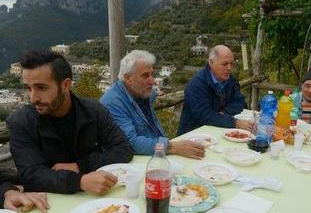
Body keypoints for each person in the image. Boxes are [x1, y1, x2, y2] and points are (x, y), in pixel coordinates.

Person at [7, 49, 133, 195]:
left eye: (41, 88)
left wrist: (80, 166)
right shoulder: (22, 122)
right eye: (28, 88)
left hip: (96, 199)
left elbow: (123, 148)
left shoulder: (93, 111)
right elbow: (31, 175)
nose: (33, 98)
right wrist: (80, 181)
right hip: (48, 204)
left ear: (66, 85)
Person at [100, 50, 205, 159]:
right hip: (136, 163)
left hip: (157, 154)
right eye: (145, 75)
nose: (152, 81)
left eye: (152, 74)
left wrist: (156, 93)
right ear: (128, 78)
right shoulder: (113, 103)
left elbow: (153, 94)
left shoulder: (141, 93)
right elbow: (131, 142)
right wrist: (173, 147)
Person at [177, 45, 253, 135]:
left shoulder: (230, 80)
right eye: (225, 64)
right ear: (211, 62)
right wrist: (235, 122)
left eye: (231, 63)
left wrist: (224, 113)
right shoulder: (196, 85)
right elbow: (205, 116)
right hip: (192, 135)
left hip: (216, 130)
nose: (229, 68)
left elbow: (240, 102)